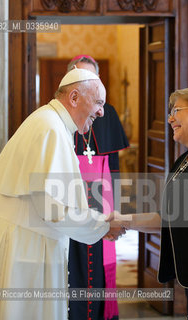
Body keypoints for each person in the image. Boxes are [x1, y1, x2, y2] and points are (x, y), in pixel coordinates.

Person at [0, 67, 124, 320]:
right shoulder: (50, 128)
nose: (102, 112)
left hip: (30, 240)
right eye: (98, 102)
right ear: (74, 98)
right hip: (27, 246)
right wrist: (103, 225)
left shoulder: (51, 122)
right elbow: (54, 210)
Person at [109, 87, 188, 320]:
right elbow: (169, 217)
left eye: (177, 110)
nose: (170, 118)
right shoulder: (183, 160)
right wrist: (123, 220)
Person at [67, 55, 129, 320]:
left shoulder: (108, 114)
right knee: (73, 267)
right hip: (70, 205)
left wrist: (115, 209)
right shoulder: (59, 118)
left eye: (93, 79)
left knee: (101, 270)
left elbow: (113, 168)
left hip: (101, 205)